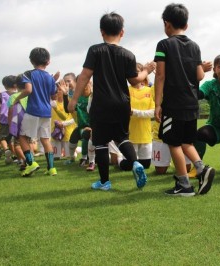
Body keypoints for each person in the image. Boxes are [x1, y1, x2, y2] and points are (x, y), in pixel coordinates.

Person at [68, 12, 155, 191]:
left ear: (102, 32)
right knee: (122, 137)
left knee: (100, 143)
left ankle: (104, 182)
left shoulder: (95, 50)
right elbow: (134, 80)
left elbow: (85, 76)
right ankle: (135, 163)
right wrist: (146, 70)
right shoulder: (128, 55)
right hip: (123, 103)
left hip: (101, 104)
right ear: (122, 32)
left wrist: (74, 99)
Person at [154, 3, 215, 196]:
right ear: (186, 25)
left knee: (173, 143)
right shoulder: (195, 46)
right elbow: (199, 76)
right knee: (187, 141)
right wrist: (202, 68)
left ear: (167, 24)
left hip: (173, 103)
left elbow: (160, 76)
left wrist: (157, 104)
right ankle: (201, 168)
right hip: (191, 103)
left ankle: (184, 184)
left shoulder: (163, 45)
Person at [14, 47, 58, 177]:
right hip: (46, 112)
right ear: (48, 62)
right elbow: (54, 96)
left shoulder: (28, 74)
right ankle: (51, 168)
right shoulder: (50, 78)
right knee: (45, 139)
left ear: (31, 61)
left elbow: (28, 90)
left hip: (33, 110)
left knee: (22, 137)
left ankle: (31, 163)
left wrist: (16, 99)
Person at [117, 63, 155, 170]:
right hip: (130, 133)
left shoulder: (149, 90)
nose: (134, 74)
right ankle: (118, 159)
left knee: (146, 166)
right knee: (129, 166)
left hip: (145, 133)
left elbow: (153, 112)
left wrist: (134, 112)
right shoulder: (126, 91)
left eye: (137, 71)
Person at [59, 74, 91, 167]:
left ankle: (86, 158)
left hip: (94, 126)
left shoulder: (93, 95)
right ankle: (73, 158)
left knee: (87, 136)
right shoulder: (76, 97)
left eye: (69, 81)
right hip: (82, 125)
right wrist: (65, 95)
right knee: (73, 139)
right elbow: (68, 109)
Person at [0, 75, 18, 163]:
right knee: (13, 139)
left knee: (3, 138)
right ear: (15, 85)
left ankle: (6, 150)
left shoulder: (2, 94)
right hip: (16, 119)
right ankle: (15, 156)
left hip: (4, 119)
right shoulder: (18, 94)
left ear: (4, 85)